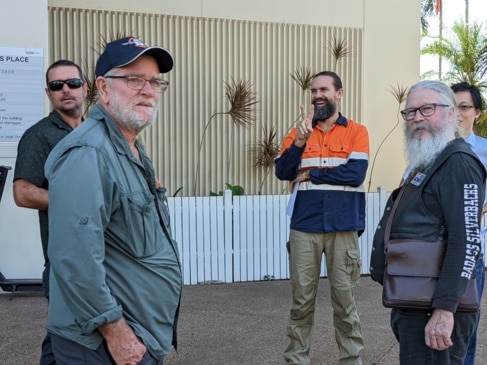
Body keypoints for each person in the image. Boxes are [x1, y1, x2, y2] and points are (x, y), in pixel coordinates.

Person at [44, 37, 182, 364]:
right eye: (134, 80)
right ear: (104, 88)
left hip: (137, 332)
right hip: (104, 345)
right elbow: (74, 256)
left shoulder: (127, 145)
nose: (148, 90)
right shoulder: (89, 152)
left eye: (154, 81)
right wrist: (116, 333)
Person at [370, 80, 485, 364]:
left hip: (437, 307)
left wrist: (445, 310)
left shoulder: (459, 164)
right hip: (417, 301)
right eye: (410, 112)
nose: (417, 118)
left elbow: (466, 240)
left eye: (427, 109)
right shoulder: (431, 160)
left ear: (450, 114)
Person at [275, 71, 369, 365]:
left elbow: (354, 175)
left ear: (339, 93)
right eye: (314, 90)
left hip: (344, 225)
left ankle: (352, 360)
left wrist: (310, 174)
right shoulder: (298, 133)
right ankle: (296, 360)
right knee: (301, 302)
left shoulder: (357, 131)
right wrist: (300, 143)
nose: (317, 95)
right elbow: (282, 171)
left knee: (345, 302)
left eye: (324, 89)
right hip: (305, 225)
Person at [13, 59, 87, 365]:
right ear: (48, 93)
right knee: (68, 336)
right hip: (64, 261)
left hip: (101, 256)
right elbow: (23, 193)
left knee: (70, 337)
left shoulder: (100, 132)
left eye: (72, 83)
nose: (65, 90)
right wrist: (78, 203)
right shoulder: (39, 135)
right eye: (57, 86)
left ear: (86, 88)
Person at [451, 82, 487, 365]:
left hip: (470, 255)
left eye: (464, 107)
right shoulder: (431, 147)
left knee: (466, 330)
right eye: (451, 107)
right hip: (432, 252)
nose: (457, 113)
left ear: (477, 112)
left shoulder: (485, 151)